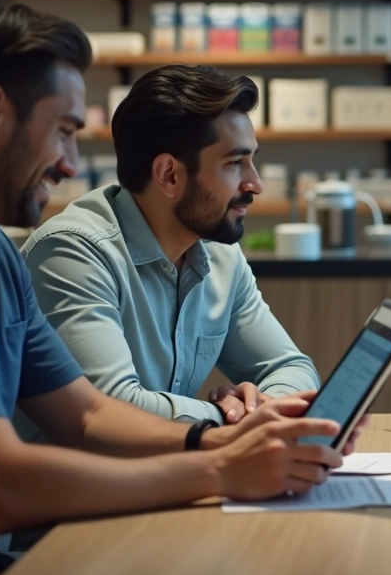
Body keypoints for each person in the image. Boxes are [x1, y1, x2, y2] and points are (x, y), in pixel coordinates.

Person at [0, 0, 352, 575]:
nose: (67, 164)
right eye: (62, 132)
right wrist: (221, 466)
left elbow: (86, 414)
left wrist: (223, 440)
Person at [20, 64, 318, 428]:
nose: (255, 184)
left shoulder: (219, 254)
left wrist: (259, 406)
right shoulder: (73, 253)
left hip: (167, 476)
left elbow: (290, 367)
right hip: (71, 483)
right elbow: (112, 408)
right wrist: (228, 419)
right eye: (235, 163)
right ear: (169, 175)